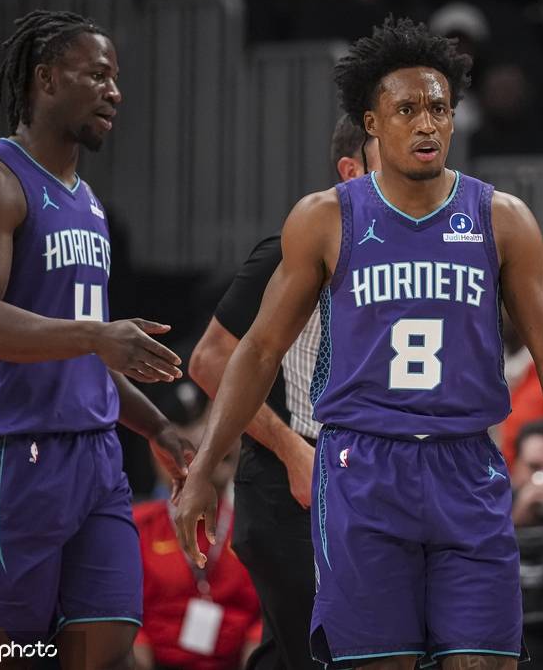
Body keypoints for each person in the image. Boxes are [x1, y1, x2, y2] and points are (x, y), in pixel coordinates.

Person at [175, 16, 543, 670]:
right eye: (406, 109)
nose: (425, 123)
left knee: (484, 661)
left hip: (466, 465)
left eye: (438, 108)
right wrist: (203, 470)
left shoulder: (502, 218)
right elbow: (259, 350)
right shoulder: (325, 218)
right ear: (373, 123)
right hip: (364, 469)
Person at [0, 10, 194, 667]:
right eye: (98, 75)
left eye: (117, 78)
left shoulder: (89, 204)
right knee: (2, 654)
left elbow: (83, 352)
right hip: (8, 456)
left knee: (108, 636)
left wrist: (159, 427)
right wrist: (95, 335)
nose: (115, 92)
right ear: (46, 79)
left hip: (94, 456)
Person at [187, 114, 380, 669]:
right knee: (334, 654)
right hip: (288, 485)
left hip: (362, 477)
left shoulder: (398, 258)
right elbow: (209, 361)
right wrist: (293, 450)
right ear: (351, 170)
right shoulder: (289, 251)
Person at [134, 393, 262, 670]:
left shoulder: (253, 528)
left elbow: (265, 617)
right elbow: (120, 609)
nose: (218, 459)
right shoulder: (138, 526)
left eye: (225, 455)